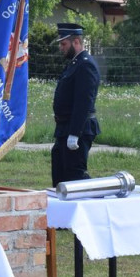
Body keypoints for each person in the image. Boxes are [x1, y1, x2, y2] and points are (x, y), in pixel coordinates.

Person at [51, 23, 100, 189]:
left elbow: (84, 102)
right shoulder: (74, 63)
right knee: (60, 173)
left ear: (76, 42)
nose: (61, 48)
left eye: (64, 44)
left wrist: (74, 133)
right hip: (64, 127)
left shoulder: (85, 64)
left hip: (78, 128)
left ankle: (94, 202)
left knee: (75, 176)